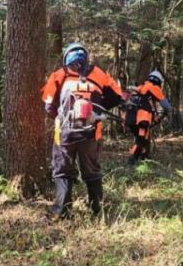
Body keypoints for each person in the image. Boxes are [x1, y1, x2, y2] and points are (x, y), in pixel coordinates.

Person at [41, 42, 124, 218]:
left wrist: (61, 116)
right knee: (92, 171)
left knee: (62, 171)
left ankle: (62, 211)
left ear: (66, 58)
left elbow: (48, 106)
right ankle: (97, 209)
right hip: (91, 132)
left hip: (64, 134)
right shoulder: (99, 74)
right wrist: (98, 109)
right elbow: (118, 96)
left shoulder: (58, 75)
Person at [126, 70, 172, 165]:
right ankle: (132, 160)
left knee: (141, 139)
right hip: (142, 119)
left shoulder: (142, 87)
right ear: (158, 81)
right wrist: (169, 110)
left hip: (131, 118)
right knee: (141, 139)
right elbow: (166, 105)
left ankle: (144, 157)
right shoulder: (153, 87)